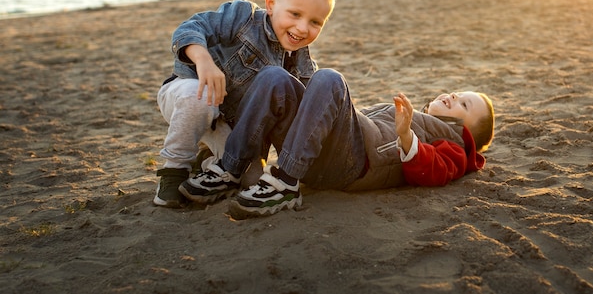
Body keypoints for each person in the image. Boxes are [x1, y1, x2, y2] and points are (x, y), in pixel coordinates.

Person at [178, 66, 495, 218]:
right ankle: (230, 168)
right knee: (274, 77)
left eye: (464, 105)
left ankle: (284, 184)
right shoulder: (408, 114)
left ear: (466, 129)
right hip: (315, 153)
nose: (454, 96)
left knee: (330, 79)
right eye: (458, 92)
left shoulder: (455, 143)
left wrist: (405, 136)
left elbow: (433, 171)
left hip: (356, 163)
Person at [154, 0, 337, 208]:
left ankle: (208, 159)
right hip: (189, 95)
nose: (302, 28)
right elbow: (190, 28)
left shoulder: (302, 66)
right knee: (199, 97)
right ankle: (173, 171)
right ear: (271, 4)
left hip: (231, 126)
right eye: (294, 14)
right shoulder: (244, 17)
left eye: (315, 22)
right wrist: (204, 61)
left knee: (250, 179)